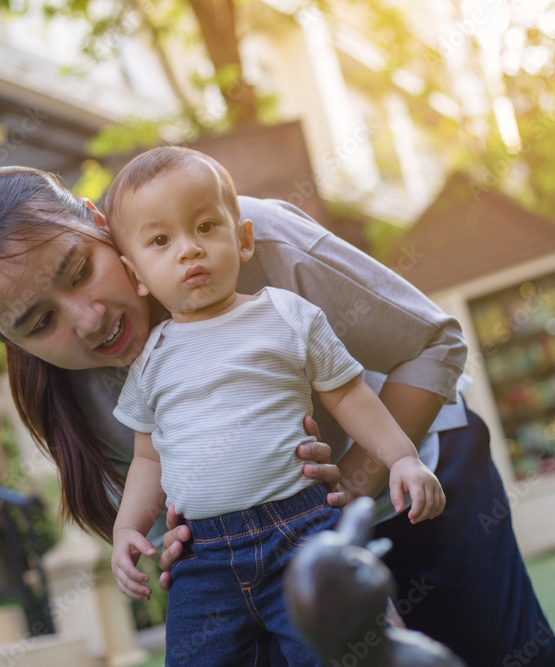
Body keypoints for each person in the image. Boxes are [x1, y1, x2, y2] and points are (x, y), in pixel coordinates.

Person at [0, 162, 555, 667]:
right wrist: (177, 535)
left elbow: (434, 342)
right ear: (7, 339)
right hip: (269, 553)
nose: (89, 319)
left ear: (98, 223)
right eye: (39, 322)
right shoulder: (66, 393)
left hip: (419, 473)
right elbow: (162, 481)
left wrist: (356, 479)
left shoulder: (255, 239)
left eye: (81, 269)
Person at [102, 147, 445, 666]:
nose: (189, 250)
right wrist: (127, 528)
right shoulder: (152, 357)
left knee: (347, 651)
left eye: (205, 227)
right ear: (138, 276)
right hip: (204, 559)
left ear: (242, 240)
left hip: (303, 532)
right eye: (160, 240)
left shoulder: (285, 316)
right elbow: (149, 459)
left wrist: (401, 458)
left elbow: (351, 395)